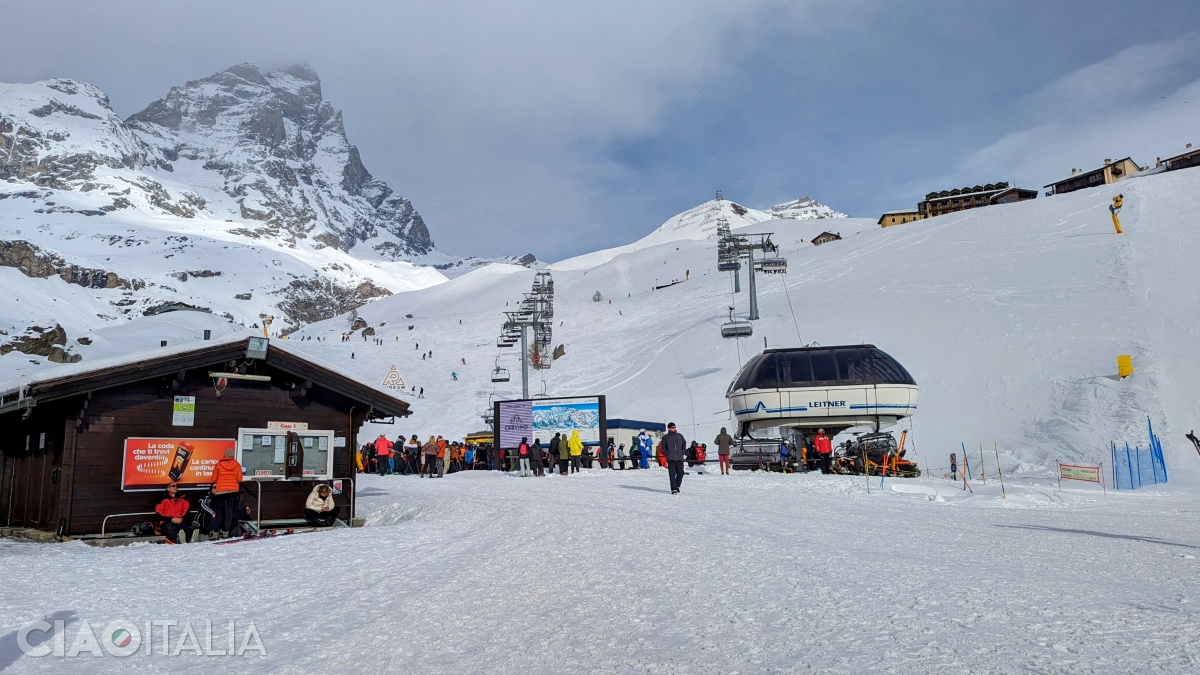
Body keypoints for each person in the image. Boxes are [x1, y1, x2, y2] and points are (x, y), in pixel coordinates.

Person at [210, 447, 244, 537]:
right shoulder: (237, 465)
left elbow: (213, 479)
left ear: (224, 455)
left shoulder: (219, 465)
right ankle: (226, 532)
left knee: (219, 512)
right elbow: (239, 479)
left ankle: (215, 532)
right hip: (232, 491)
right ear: (233, 455)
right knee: (229, 511)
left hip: (221, 491)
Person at [662, 422, 687, 494]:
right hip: (671, 458)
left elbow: (684, 443)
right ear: (669, 428)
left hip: (679, 458)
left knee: (680, 473)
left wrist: (683, 451)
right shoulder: (666, 437)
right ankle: (673, 488)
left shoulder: (680, 436)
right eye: (672, 427)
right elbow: (663, 447)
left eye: (674, 427)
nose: (673, 428)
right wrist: (667, 453)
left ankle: (677, 485)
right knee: (672, 474)